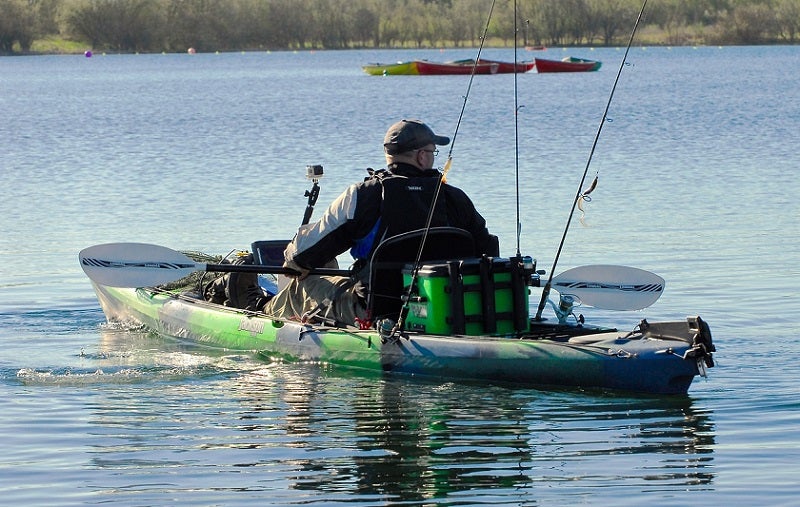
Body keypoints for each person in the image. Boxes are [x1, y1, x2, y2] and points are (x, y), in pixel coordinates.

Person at [261, 119, 499, 326]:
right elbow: (488, 252)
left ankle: (258, 312)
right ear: (421, 156)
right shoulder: (456, 198)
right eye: (433, 152)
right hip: (449, 308)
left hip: (375, 312)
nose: (433, 158)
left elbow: (302, 256)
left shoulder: (363, 195)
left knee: (304, 283)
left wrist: (292, 254)